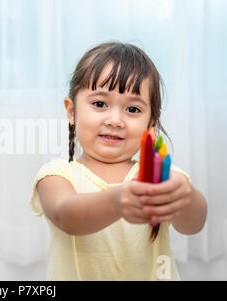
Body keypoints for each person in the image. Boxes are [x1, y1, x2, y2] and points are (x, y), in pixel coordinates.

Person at [29, 41, 207, 280]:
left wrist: (185, 197)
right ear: (72, 112)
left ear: (150, 123)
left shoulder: (157, 177)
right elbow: (66, 215)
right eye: (99, 104)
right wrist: (117, 202)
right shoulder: (56, 176)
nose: (115, 120)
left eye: (133, 109)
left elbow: (192, 225)